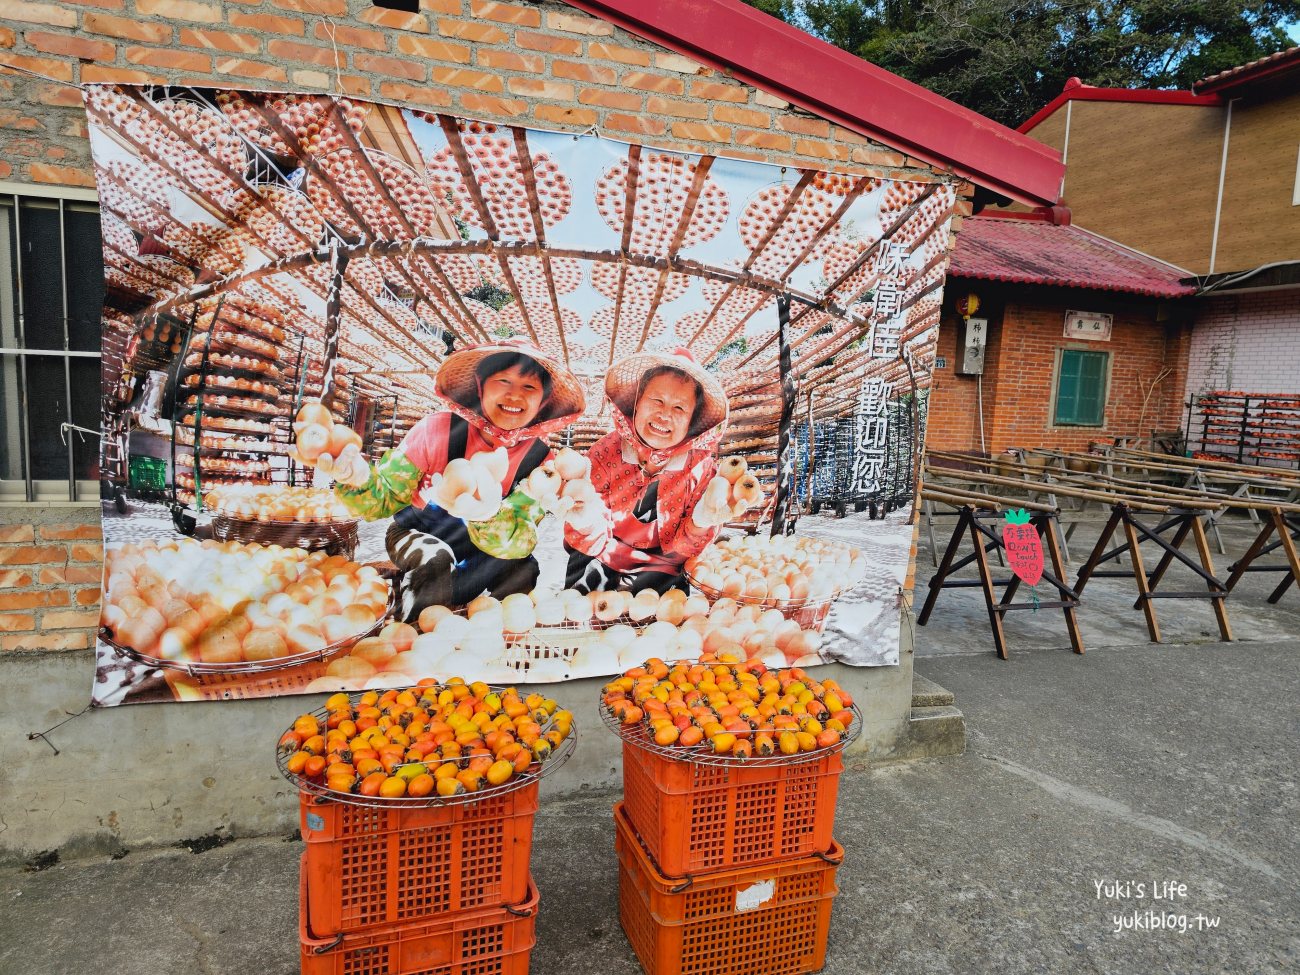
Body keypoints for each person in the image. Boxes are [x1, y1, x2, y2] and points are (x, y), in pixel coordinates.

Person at [303, 339, 585, 622]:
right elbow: (384, 500)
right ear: (480, 386)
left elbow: (519, 539)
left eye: (529, 387)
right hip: (415, 533)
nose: (514, 396)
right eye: (503, 381)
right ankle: (415, 635)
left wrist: (486, 516)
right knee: (435, 559)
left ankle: (490, 640)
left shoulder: (540, 461)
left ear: (543, 400)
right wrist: (357, 478)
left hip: (484, 550)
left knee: (522, 568)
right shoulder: (437, 430)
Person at [564, 349, 746, 595]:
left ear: (692, 421)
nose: (665, 414)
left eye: (680, 408)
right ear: (636, 403)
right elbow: (591, 535)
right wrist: (584, 518)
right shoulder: (605, 453)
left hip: (663, 569)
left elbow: (685, 549)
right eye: (657, 401)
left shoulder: (701, 469)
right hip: (602, 555)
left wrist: (701, 521)